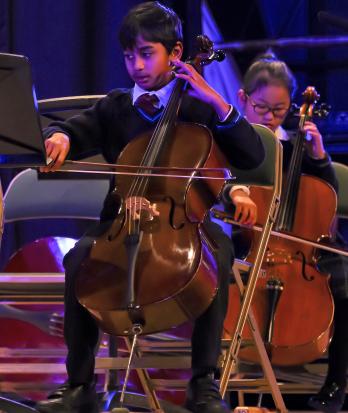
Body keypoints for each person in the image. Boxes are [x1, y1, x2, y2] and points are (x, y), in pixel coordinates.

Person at [35, 2, 265, 413]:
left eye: (146, 53)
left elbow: (246, 157)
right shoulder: (117, 107)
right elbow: (69, 129)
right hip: (120, 223)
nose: (136, 65)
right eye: (128, 56)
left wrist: (215, 101)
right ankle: (80, 385)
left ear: (175, 54)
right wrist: (61, 138)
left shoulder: (197, 107)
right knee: (80, 258)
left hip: (187, 222)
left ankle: (204, 384)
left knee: (219, 253)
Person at [224, 52, 348, 413]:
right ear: (244, 99)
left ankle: (337, 383)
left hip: (305, 249)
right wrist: (237, 193)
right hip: (250, 245)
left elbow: (328, 199)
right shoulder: (234, 146)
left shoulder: (298, 148)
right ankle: (226, 386)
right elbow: (219, 186)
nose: (270, 117)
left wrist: (319, 156)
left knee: (342, 278)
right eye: (262, 107)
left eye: (279, 110)